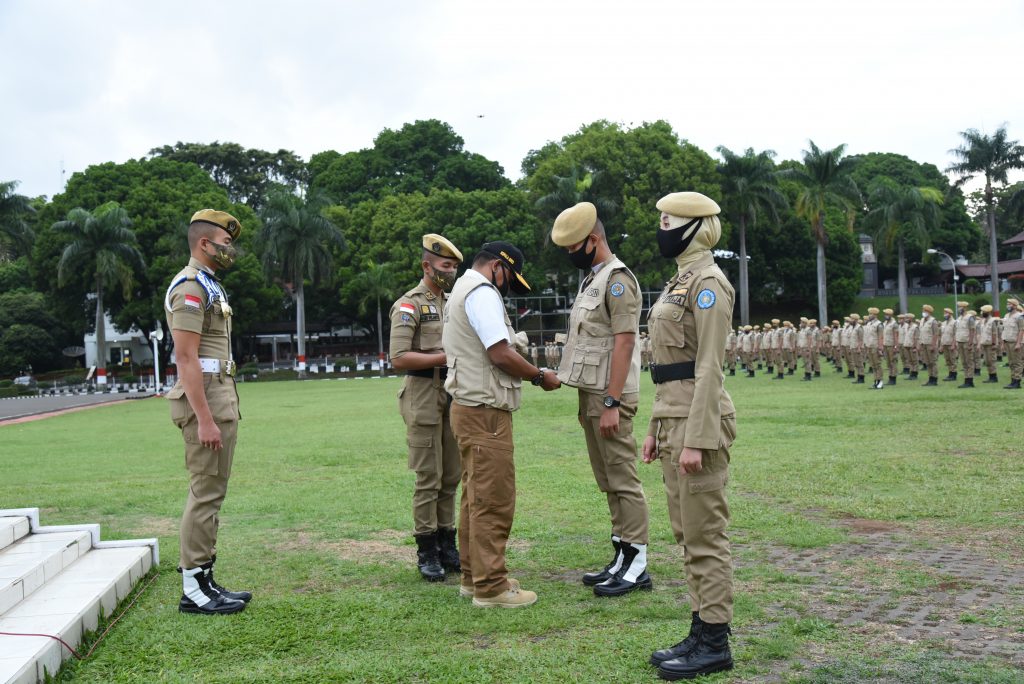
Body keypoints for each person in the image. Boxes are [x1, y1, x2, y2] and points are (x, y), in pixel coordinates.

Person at [642, 192, 736, 680]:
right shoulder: (679, 281)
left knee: (705, 537)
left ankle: (715, 642)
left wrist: (697, 439)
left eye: (667, 221)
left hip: (698, 425)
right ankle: (700, 630)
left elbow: (708, 367)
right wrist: (655, 427)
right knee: (686, 535)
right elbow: (667, 367)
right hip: (673, 419)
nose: (661, 229)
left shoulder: (708, 283)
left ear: (694, 227)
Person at [443, 241, 560, 608]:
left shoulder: (461, 289)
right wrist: (539, 376)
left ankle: (473, 577)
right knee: (492, 499)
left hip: (470, 407)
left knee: (475, 497)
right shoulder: (481, 292)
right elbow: (500, 353)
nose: (507, 287)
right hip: (485, 413)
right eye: (509, 278)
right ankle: (491, 586)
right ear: (497, 266)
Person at [550, 202, 652, 597]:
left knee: (623, 479)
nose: (569, 253)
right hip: (591, 394)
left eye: (573, 247)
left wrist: (612, 403)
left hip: (610, 396)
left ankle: (637, 563)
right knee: (608, 480)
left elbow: (624, 342)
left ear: (593, 240)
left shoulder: (617, 280)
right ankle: (621, 554)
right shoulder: (593, 278)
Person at [164, 209, 251, 615]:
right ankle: (193, 588)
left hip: (220, 394)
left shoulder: (210, 285)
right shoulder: (190, 288)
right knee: (204, 493)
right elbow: (186, 357)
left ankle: (205, 578)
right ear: (204, 243)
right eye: (225, 243)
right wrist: (204, 418)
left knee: (213, 492)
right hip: (206, 400)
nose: (230, 250)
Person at [389, 234, 464, 582]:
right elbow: (399, 357)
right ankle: (427, 549)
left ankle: (448, 544)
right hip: (422, 394)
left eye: (454, 266)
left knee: (451, 476)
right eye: (445, 265)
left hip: (452, 392)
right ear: (427, 266)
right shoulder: (410, 305)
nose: (451, 272)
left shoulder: (453, 302)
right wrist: (444, 357)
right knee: (428, 478)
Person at [1002, 298, 1023, 388]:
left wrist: (1018, 343)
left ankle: (1017, 382)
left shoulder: (1019, 316)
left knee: (1017, 362)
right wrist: (1003, 343)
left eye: (1010, 304)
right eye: (1007, 304)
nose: (1008, 305)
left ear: (1015, 306)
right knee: (1011, 362)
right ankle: (1013, 380)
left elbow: (1021, 330)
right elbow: (1004, 329)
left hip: (1015, 342)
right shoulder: (1006, 315)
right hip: (1007, 341)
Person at [954, 301, 976, 388]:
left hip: (967, 342)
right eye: (958, 307)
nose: (958, 309)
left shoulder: (969, 318)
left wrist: (970, 342)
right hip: (960, 341)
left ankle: (969, 381)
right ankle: (966, 379)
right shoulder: (959, 318)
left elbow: (972, 330)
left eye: (960, 307)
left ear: (965, 308)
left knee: (969, 361)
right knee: (964, 362)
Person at [918, 304, 941, 386]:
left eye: (925, 310)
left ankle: (934, 379)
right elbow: (921, 332)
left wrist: (933, 345)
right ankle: (930, 378)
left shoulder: (933, 321)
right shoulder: (922, 320)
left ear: (929, 312)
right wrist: (920, 343)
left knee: (932, 362)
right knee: (927, 362)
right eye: (923, 310)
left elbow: (936, 334)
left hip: (930, 344)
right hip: (923, 343)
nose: (923, 312)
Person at [862, 308, 883, 389]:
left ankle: (880, 381)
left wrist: (880, 348)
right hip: (869, 346)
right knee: (873, 365)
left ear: (875, 315)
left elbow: (880, 337)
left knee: (877, 364)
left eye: (871, 314)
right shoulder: (869, 324)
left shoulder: (879, 324)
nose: (869, 315)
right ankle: (876, 380)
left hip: (875, 347)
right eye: (869, 314)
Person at [977, 305, 999, 383]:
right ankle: (990, 376)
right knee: (987, 361)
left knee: (991, 361)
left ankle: (994, 377)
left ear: (988, 312)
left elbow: (994, 333)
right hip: (985, 344)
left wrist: (994, 344)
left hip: (990, 344)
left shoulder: (992, 321)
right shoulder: (983, 321)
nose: (982, 313)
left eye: (984, 311)